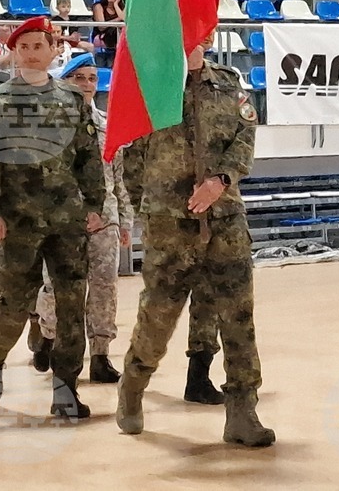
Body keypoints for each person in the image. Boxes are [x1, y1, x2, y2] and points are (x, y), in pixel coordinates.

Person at [116, 32, 274, 449]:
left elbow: (244, 135)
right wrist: (151, 209)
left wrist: (221, 180)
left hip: (225, 217)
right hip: (169, 223)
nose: (194, 39)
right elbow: (132, 159)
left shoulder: (228, 83)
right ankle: (133, 385)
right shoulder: (152, 86)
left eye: (200, 31)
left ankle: (242, 411)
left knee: (238, 316)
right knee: (159, 315)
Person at [0, 16, 106, 420]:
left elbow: (88, 155)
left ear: (53, 50)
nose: (32, 54)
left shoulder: (72, 98)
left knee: (71, 305)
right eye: (24, 47)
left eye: (39, 46)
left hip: (67, 219)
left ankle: (66, 389)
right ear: (15, 53)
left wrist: (95, 204)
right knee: (15, 302)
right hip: (20, 219)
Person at [34, 54, 132, 384]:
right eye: (80, 78)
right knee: (56, 287)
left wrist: (125, 219)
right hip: (64, 221)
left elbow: (118, 177)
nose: (87, 85)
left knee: (105, 288)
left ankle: (100, 354)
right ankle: (48, 333)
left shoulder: (108, 125)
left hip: (105, 218)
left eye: (92, 78)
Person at [92, 0, 125, 68]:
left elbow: (124, 18)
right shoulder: (98, 6)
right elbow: (101, 26)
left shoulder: (122, 7)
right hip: (103, 36)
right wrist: (118, 20)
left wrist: (116, 5)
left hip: (117, 37)